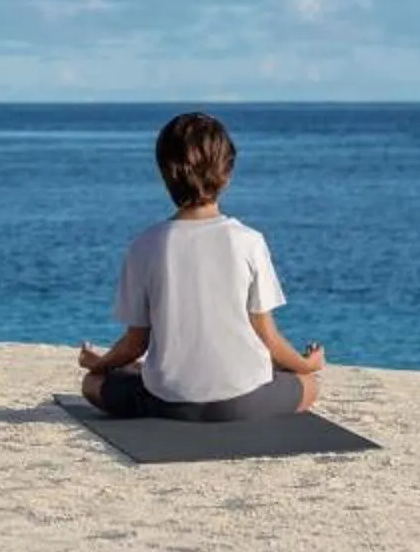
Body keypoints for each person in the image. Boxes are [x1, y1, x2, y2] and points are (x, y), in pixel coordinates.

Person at [77, 110, 326, 421]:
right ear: (227, 173)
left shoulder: (144, 245)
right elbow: (268, 338)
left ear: (165, 174)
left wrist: (97, 364)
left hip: (169, 402)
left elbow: (134, 344)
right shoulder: (248, 241)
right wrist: (308, 365)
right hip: (242, 402)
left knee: (92, 384)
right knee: (309, 385)